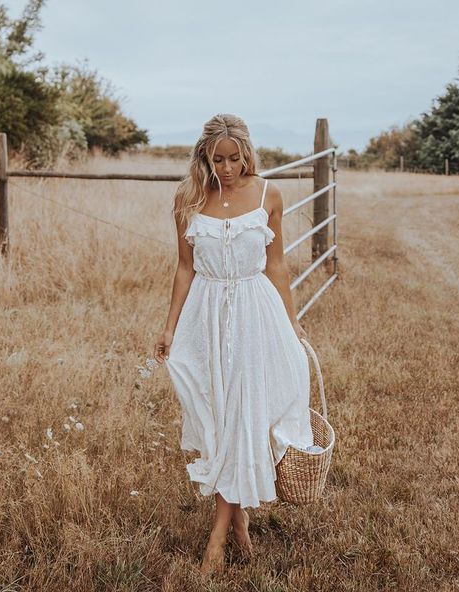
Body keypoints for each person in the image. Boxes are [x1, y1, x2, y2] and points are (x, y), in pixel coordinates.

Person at [153, 113, 314, 578]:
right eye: (216, 159)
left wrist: (292, 320)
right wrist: (169, 327)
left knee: (245, 414)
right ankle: (239, 520)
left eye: (234, 158)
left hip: (254, 312)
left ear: (247, 154)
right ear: (203, 156)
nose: (225, 168)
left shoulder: (269, 194)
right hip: (206, 315)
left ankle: (217, 538)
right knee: (220, 417)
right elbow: (184, 268)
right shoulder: (187, 198)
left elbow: (277, 264)